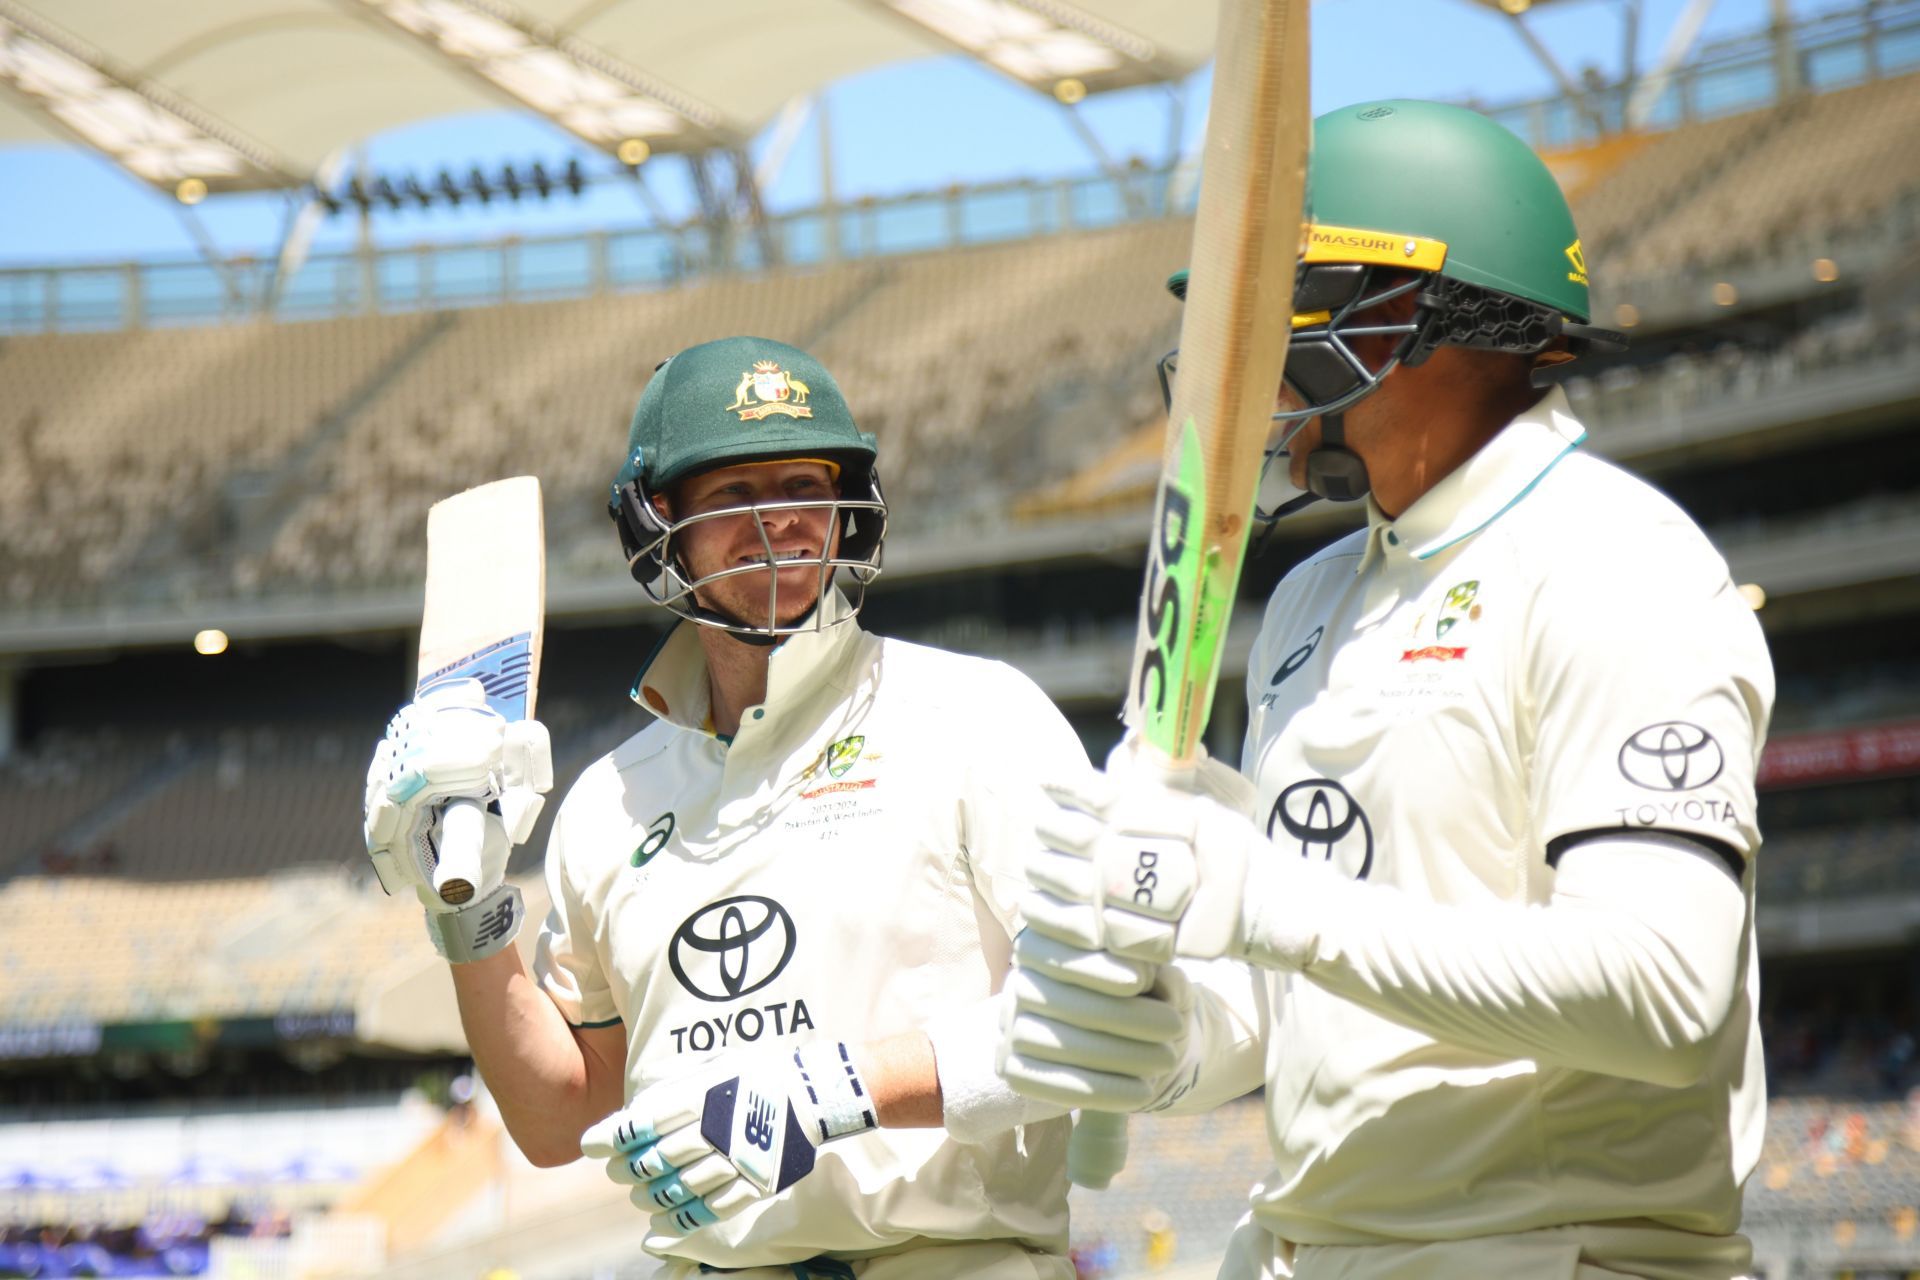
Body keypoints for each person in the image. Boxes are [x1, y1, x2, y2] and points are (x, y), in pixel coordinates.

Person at [998, 100, 1775, 1280]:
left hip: (1557, 1255)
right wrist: (1163, 1035)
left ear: (1416, 314)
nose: (1241, 361)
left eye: (1284, 313)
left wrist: (1262, 894)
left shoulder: (1616, 557)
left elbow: (1663, 990)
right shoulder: (1313, 602)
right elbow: (1300, 1000)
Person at [363, 336, 1095, 1278]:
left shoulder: (977, 717)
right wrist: (462, 913)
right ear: (659, 524)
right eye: (733, 497)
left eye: (803, 486)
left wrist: (833, 1088)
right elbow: (559, 1121)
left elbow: (1093, 1016)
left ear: (847, 513)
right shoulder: (608, 806)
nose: (778, 524)